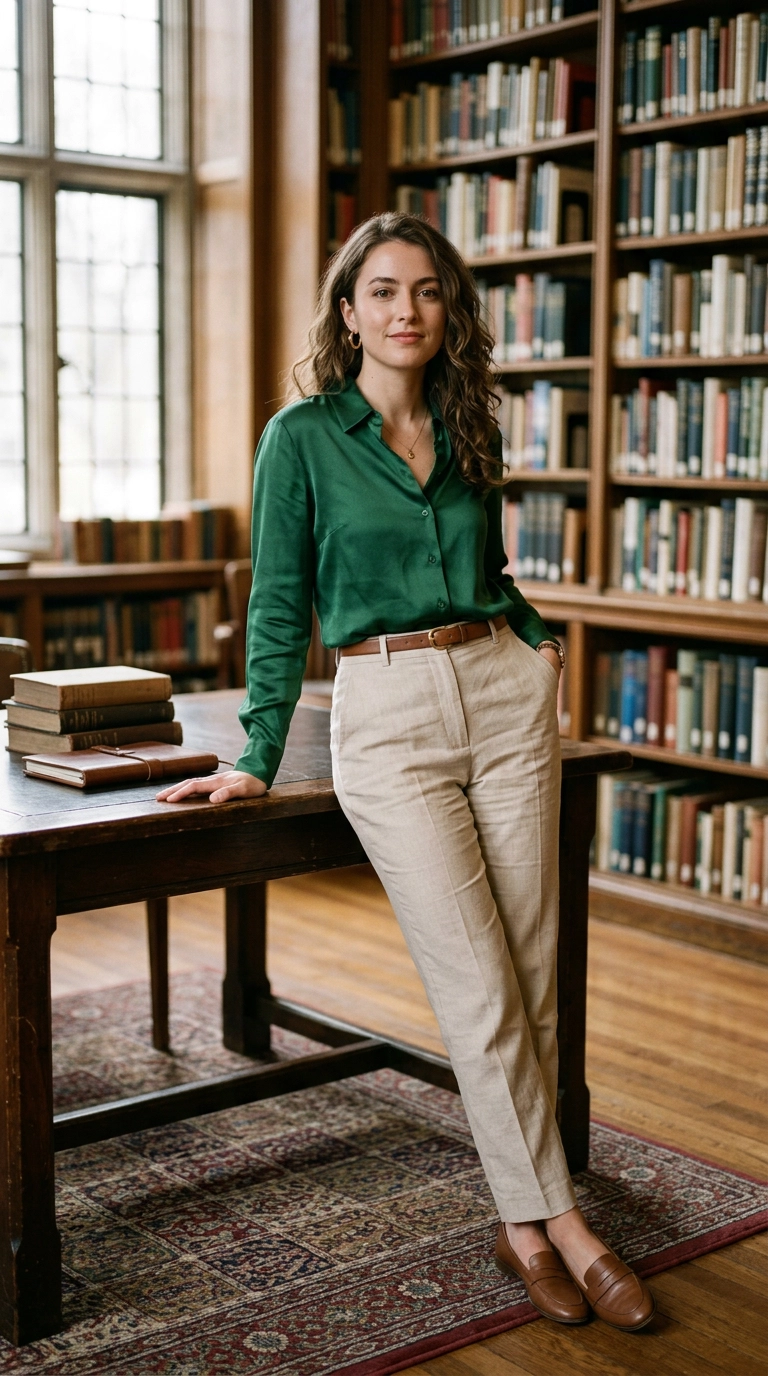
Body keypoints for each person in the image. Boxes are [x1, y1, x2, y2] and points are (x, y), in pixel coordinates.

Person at [157, 212, 654, 1332]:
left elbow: (487, 564)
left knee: (527, 970)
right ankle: (562, 1222)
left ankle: (520, 1222)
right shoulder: (301, 436)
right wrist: (255, 750)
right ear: (349, 311)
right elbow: (278, 602)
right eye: (383, 291)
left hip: (501, 687)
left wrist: (534, 635)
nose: (406, 310)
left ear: (447, 308)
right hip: (383, 711)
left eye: (427, 291)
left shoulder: (468, 416)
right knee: (475, 981)